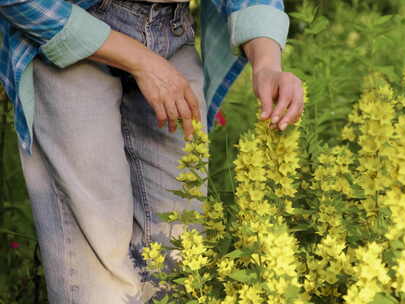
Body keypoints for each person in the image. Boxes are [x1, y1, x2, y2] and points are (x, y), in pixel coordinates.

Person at [0, 0, 304, 302]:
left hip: (172, 32)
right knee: (97, 277)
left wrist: (266, 64)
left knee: (177, 263)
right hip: (72, 31)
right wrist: (141, 62)